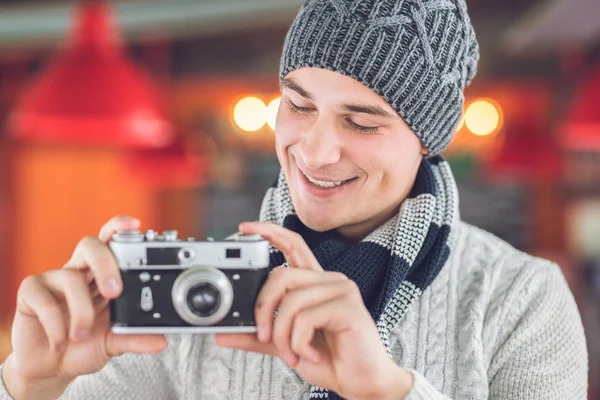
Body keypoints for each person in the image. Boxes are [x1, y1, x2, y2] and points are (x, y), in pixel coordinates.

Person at [0, 0, 588, 398]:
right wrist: (29, 384)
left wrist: (387, 391)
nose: (315, 150)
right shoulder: (193, 293)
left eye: (361, 122)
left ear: (427, 142)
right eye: (299, 105)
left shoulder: (519, 300)